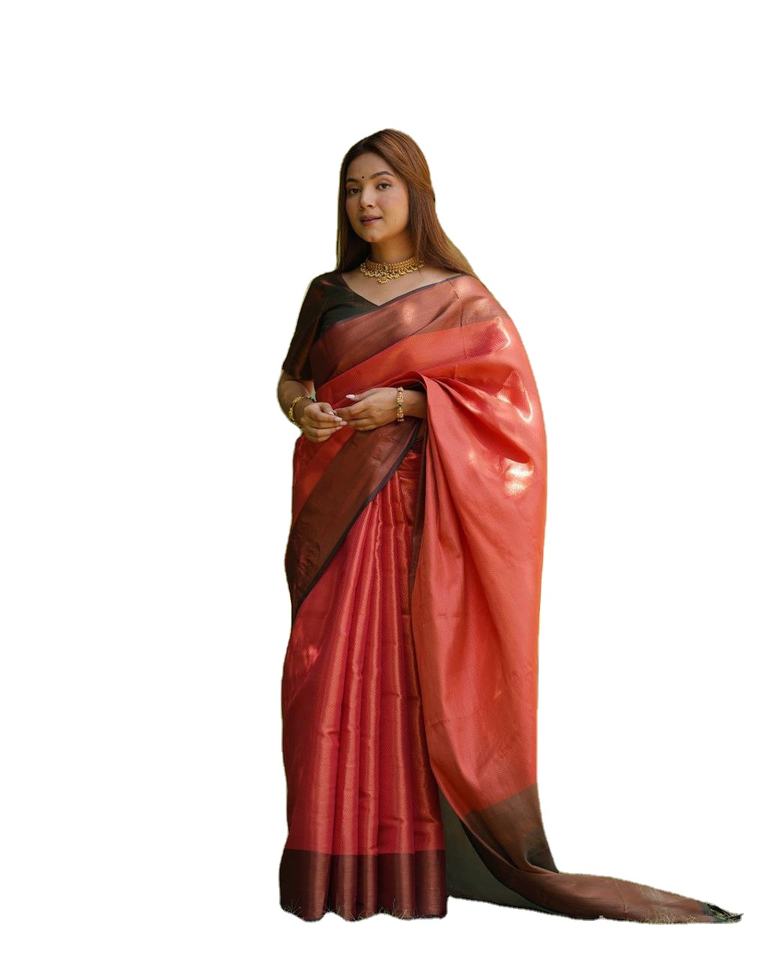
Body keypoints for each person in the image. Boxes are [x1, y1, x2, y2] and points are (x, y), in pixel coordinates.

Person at [275, 128, 742, 924]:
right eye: (353, 188)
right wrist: (302, 412)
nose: (366, 202)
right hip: (338, 517)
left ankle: (409, 869)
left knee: (410, 676)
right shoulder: (326, 292)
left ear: (415, 192)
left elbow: (507, 407)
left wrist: (409, 403)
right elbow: (290, 381)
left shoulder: (461, 296)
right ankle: (331, 867)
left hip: (424, 522)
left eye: (382, 185)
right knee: (325, 677)